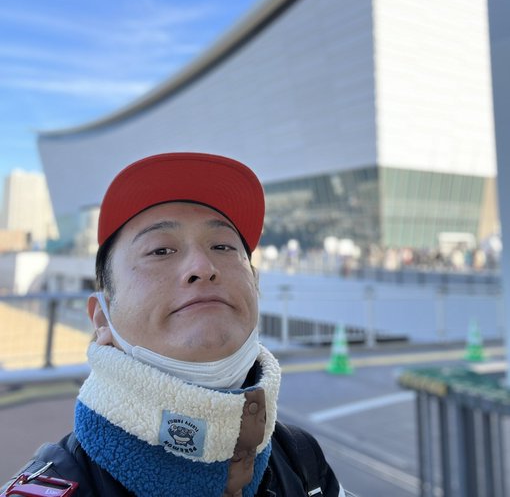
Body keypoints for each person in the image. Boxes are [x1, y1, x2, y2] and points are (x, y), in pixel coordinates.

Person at [2, 153, 345, 497]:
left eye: (222, 246)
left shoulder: (304, 461)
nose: (203, 267)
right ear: (102, 318)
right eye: (161, 250)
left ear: (255, 285)